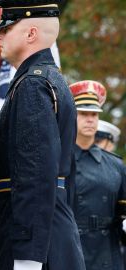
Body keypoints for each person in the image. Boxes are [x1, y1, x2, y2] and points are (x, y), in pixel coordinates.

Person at [0, 1, 86, 269]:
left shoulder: (32, 85)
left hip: (37, 247)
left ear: (31, 34)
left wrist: (27, 257)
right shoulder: (49, 80)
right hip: (51, 233)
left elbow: (34, 173)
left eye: (6, 28)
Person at [70, 80, 126, 270]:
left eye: (94, 114)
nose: (90, 119)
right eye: (83, 113)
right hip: (69, 249)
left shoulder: (115, 164)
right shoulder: (58, 161)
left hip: (107, 254)